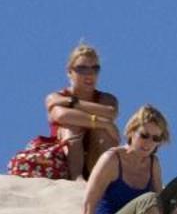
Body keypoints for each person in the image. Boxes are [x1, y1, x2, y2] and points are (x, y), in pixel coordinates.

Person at [43, 42, 121, 180]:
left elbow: (110, 112)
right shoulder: (55, 96)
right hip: (64, 160)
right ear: (69, 72)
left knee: (102, 132)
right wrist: (104, 122)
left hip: (96, 156)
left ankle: (103, 179)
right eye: (82, 69)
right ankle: (77, 177)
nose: (89, 74)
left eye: (94, 68)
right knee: (71, 125)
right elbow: (62, 115)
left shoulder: (106, 98)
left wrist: (74, 103)